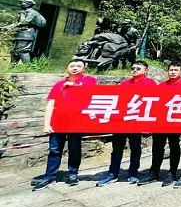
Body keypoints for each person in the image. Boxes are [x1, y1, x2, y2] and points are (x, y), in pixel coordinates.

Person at [32, 59, 97, 191]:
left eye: (78, 66)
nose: (75, 68)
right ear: (67, 68)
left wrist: (74, 86)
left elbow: (91, 93)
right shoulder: (59, 84)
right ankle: (50, 176)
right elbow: (50, 104)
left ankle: (73, 173)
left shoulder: (89, 80)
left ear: (84, 68)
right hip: (58, 122)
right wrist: (46, 124)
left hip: (76, 122)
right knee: (54, 149)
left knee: (74, 148)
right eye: (72, 66)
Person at [97, 61, 157, 187]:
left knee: (135, 148)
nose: (134, 70)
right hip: (122, 122)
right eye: (133, 68)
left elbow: (153, 103)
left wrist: (148, 124)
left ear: (145, 70)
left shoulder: (150, 84)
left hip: (137, 121)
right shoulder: (125, 83)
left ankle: (133, 173)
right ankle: (112, 173)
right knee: (117, 148)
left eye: (138, 68)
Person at [138, 61, 181, 186]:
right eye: (171, 70)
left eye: (176, 70)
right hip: (160, 122)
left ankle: (172, 173)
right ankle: (154, 172)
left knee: (174, 146)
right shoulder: (161, 86)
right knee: (157, 147)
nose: (173, 72)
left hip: (176, 122)